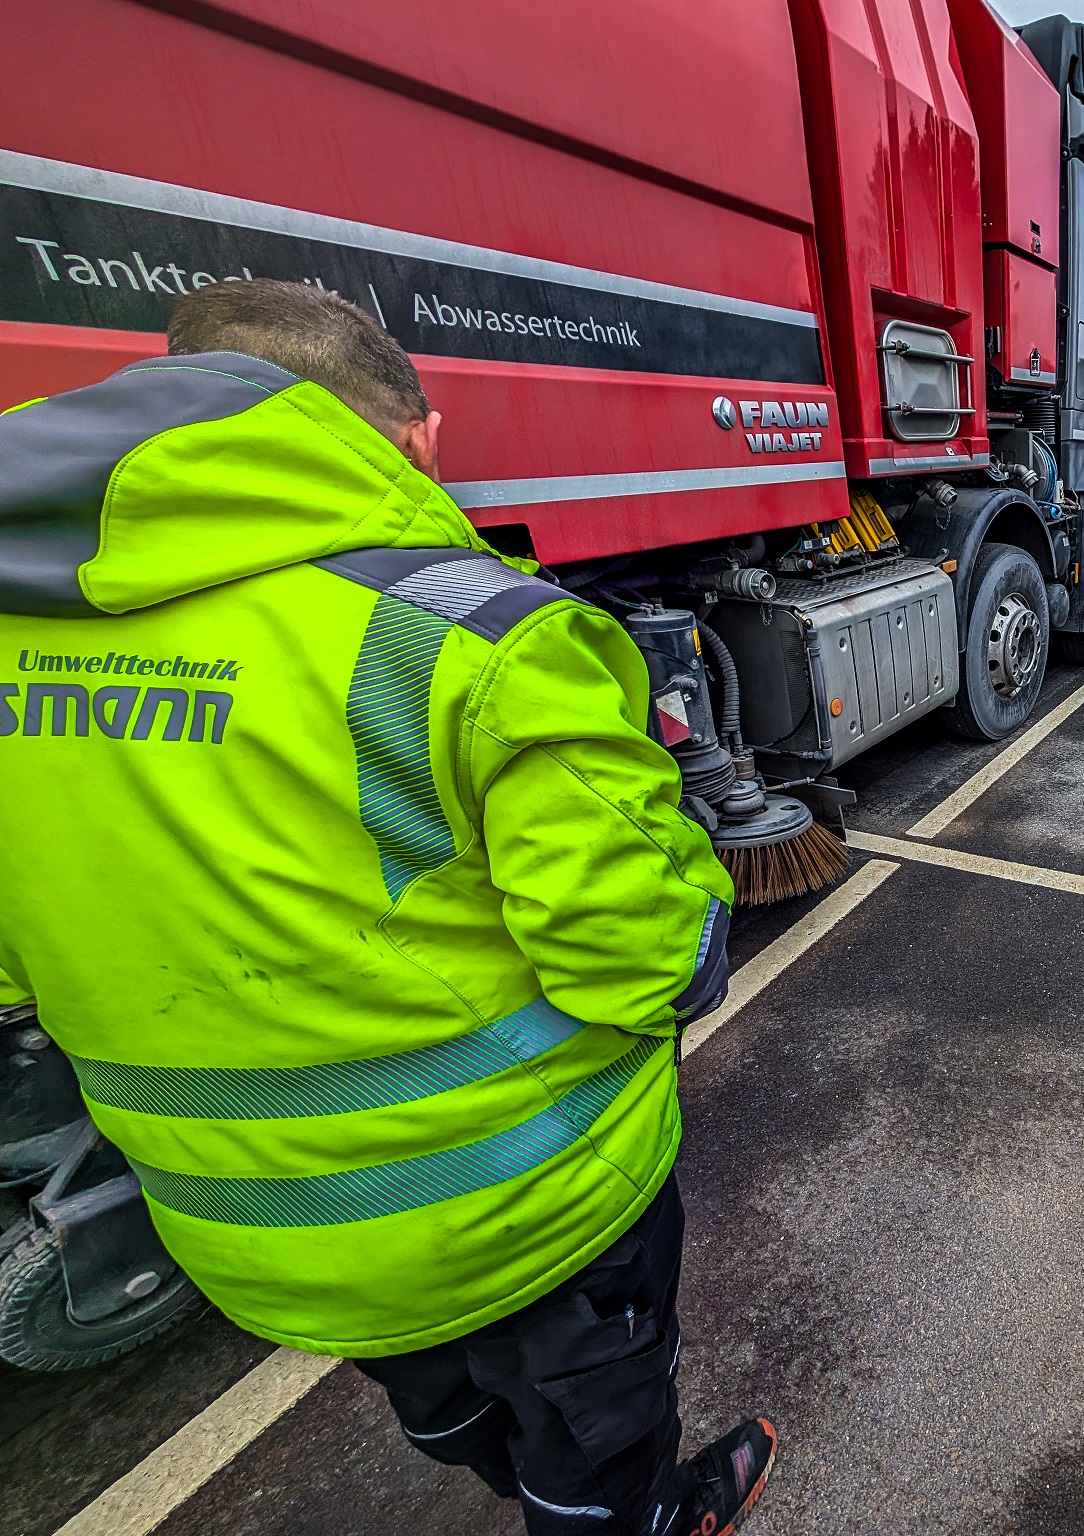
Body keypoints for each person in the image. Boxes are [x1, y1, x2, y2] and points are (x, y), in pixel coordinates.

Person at [0, 280, 775, 1535]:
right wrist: (695, 924)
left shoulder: (17, 634)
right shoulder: (472, 638)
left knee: (443, 1400)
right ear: (414, 436)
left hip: (250, 1237)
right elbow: (645, 960)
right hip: (530, 1217)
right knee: (598, 1458)